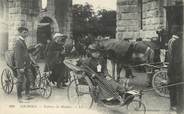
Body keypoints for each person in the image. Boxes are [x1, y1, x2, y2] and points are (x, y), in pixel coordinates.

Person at [14, 27, 32, 103]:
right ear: (20, 33)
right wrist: (20, 67)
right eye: (24, 32)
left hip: (26, 65)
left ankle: (27, 95)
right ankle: (19, 98)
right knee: (20, 81)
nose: (26, 34)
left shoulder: (22, 41)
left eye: (26, 32)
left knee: (28, 79)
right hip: (21, 66)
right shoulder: (18, 42)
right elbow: (18, 56)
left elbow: (25, 53)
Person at [167, 33, 182, 111]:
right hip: (173, 70)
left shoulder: (171, 40)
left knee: (172, 88)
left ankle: (173, 105)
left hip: (171, 67)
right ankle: (173, 105)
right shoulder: (175, 42)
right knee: (173, 88)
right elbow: (176, 59)